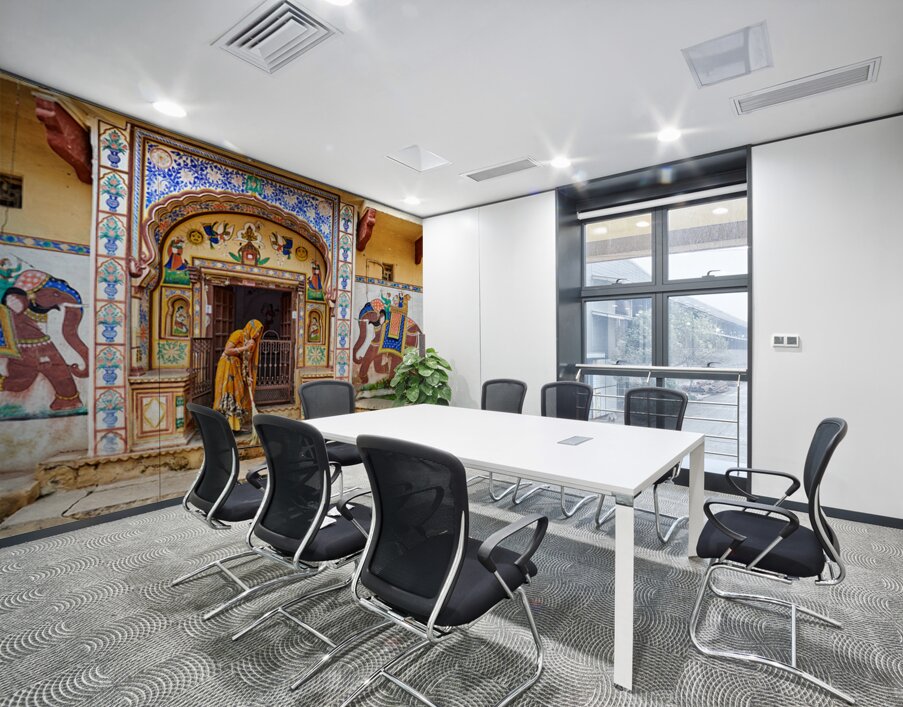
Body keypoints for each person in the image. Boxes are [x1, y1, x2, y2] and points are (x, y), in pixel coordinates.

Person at [213, 319, 263, 431]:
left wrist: (249, 376)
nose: (258, 334)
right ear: (251, 328)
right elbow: (227, 351)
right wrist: (245, 347)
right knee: (227, 393)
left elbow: (249, 361)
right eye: (257, 331)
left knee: (238, 393)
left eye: (260, 332)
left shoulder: (253, 342)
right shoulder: (238, 334)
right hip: (227, 366)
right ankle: (224, 425)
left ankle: (234, 425)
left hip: (237, 368)